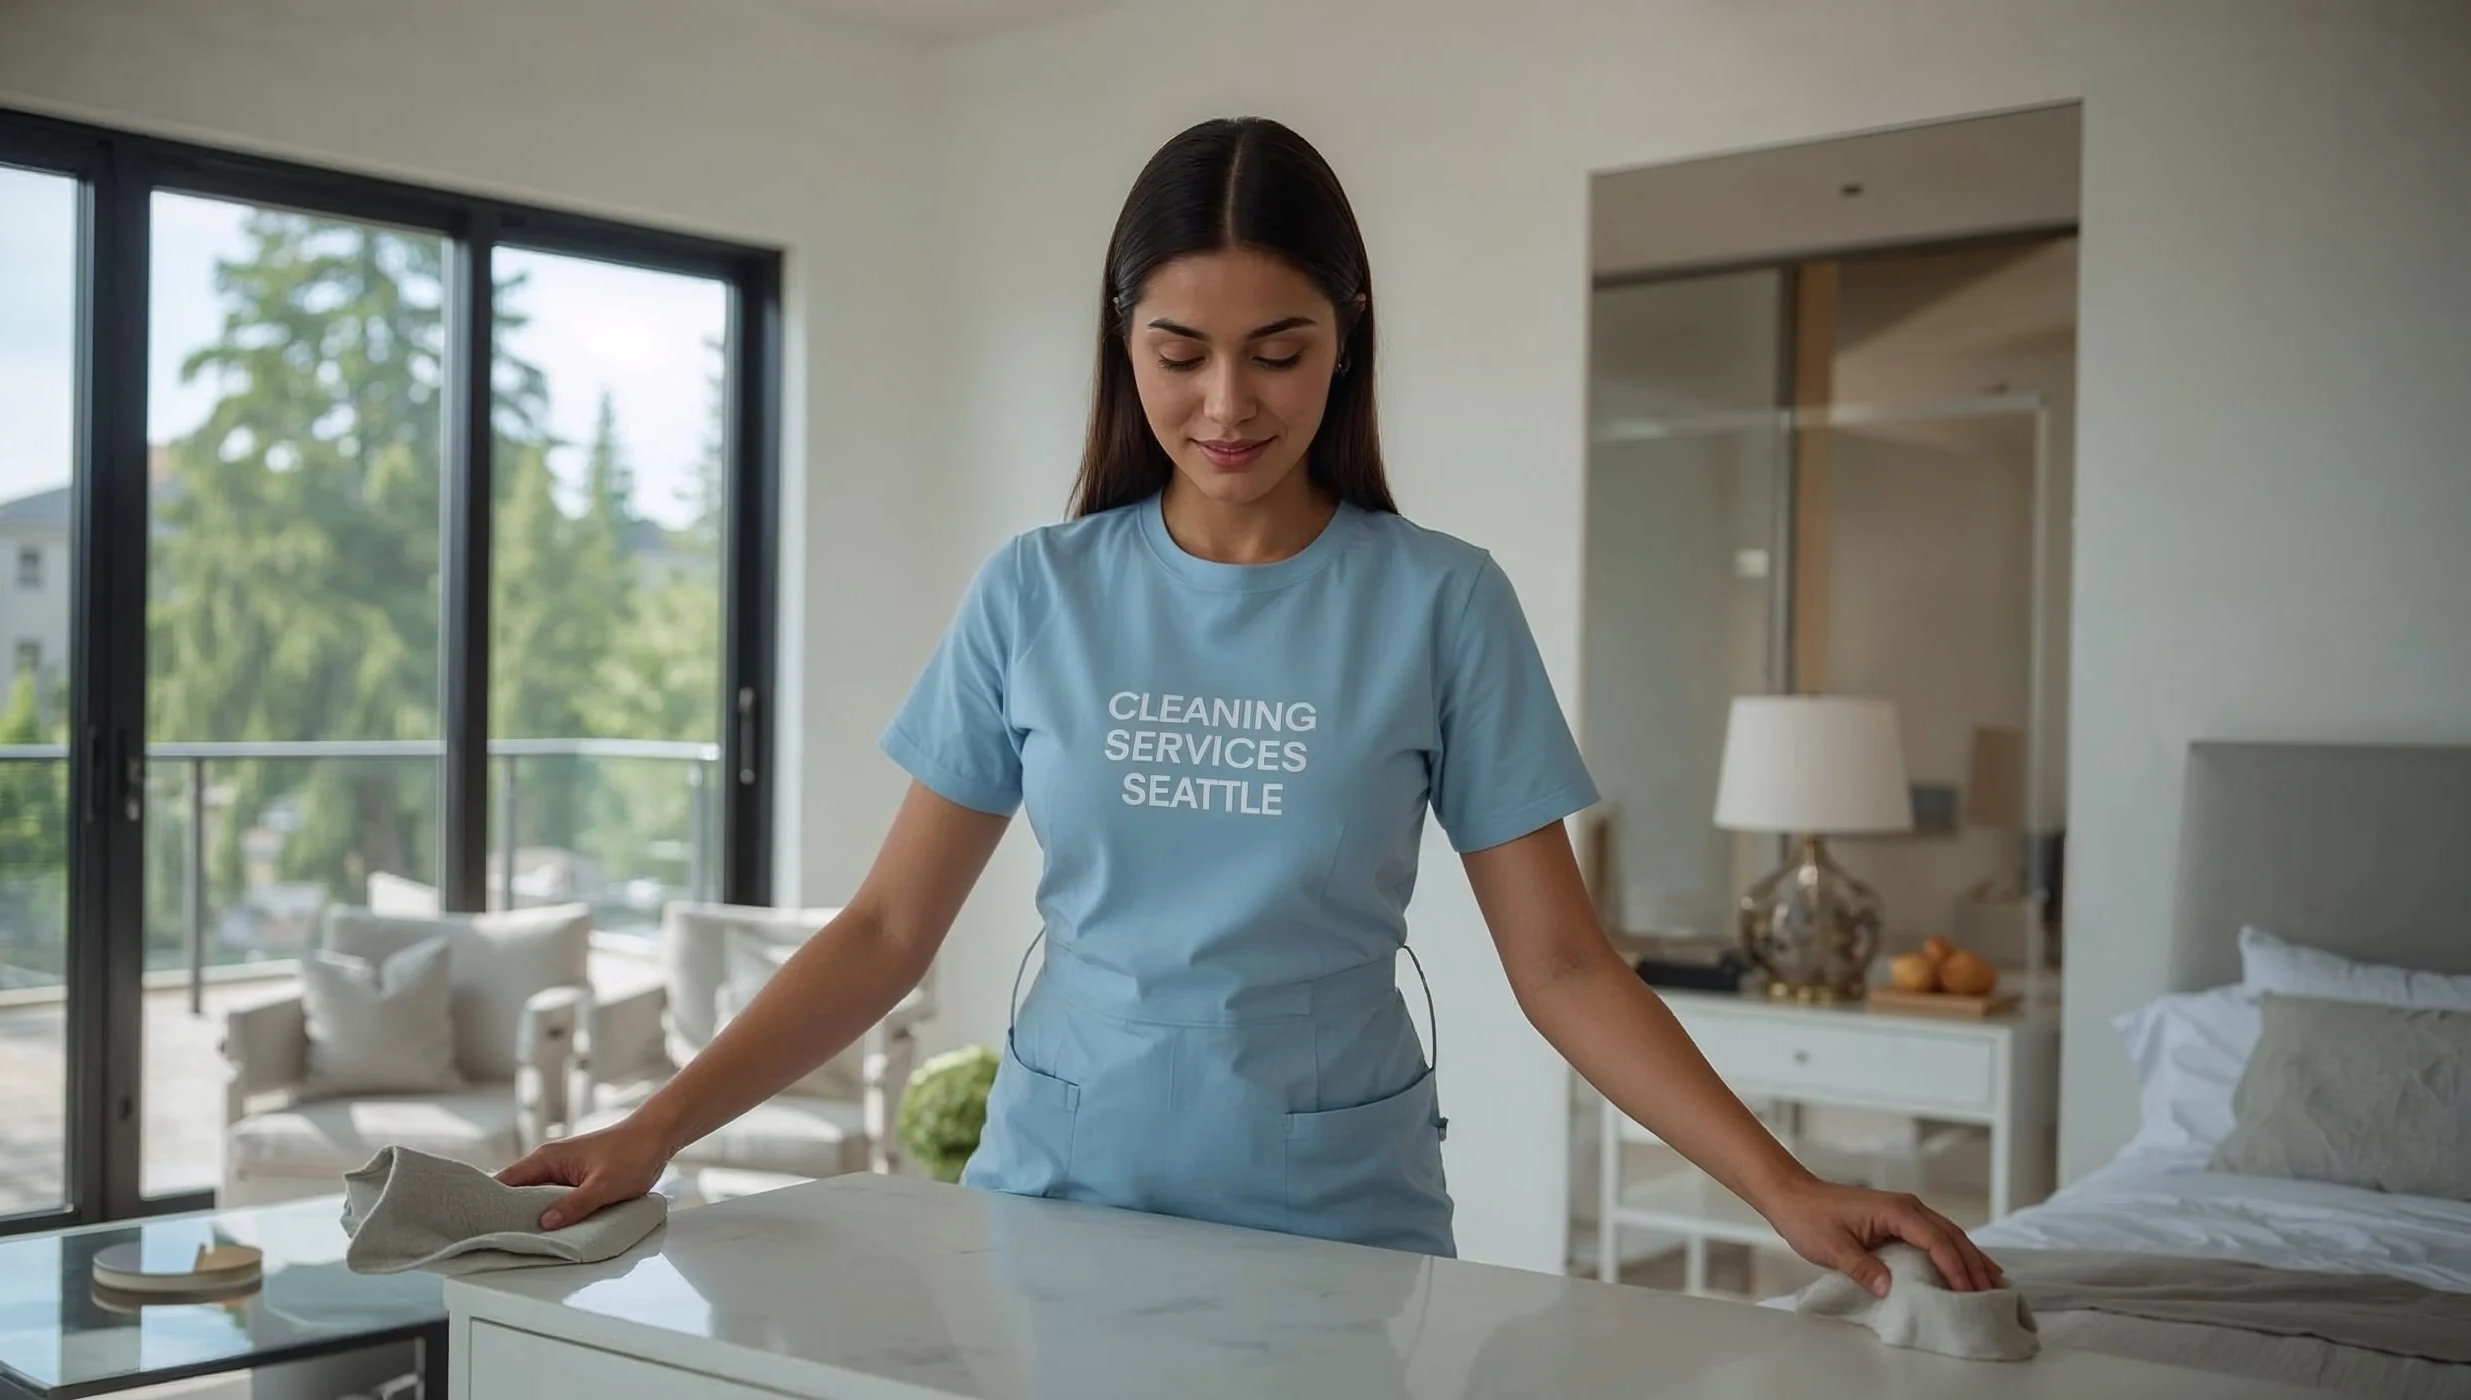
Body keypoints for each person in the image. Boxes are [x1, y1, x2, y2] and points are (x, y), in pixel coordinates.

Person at [500, 116, 2002, 1298]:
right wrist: (654, 1130)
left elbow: (1562, 968)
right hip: (1054, 1211)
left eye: (1278, 353)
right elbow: (890, 933)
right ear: (1124, 345)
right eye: (1181, 354)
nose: (1229, 404)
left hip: (1338, 1228)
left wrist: (1781, 1188)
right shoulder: (1037, 592)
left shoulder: (1441, 601)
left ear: (1346, 334)